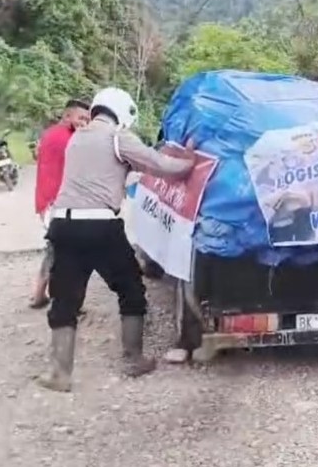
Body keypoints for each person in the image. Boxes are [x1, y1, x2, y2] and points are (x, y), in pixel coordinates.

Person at [36, 87, 197, 392]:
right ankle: (133, 360)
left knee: (65, 299)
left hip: (63, 225)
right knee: (130, 289)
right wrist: (190, 160)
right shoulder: (116, 137)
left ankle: (59, 373)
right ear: (121, 112)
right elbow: (162, 166)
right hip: (100, 227)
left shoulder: (77, 138)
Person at [29, 99, 91, 309]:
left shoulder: (51, 133)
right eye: (81, 118)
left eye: (87, 119)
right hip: (58, 203)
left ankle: (40, 293)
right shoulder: (70, 139)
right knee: (64, 252)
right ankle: (64, 301)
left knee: (55, 248)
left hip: (48, 200)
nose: (84, 122)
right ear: (67, 116)